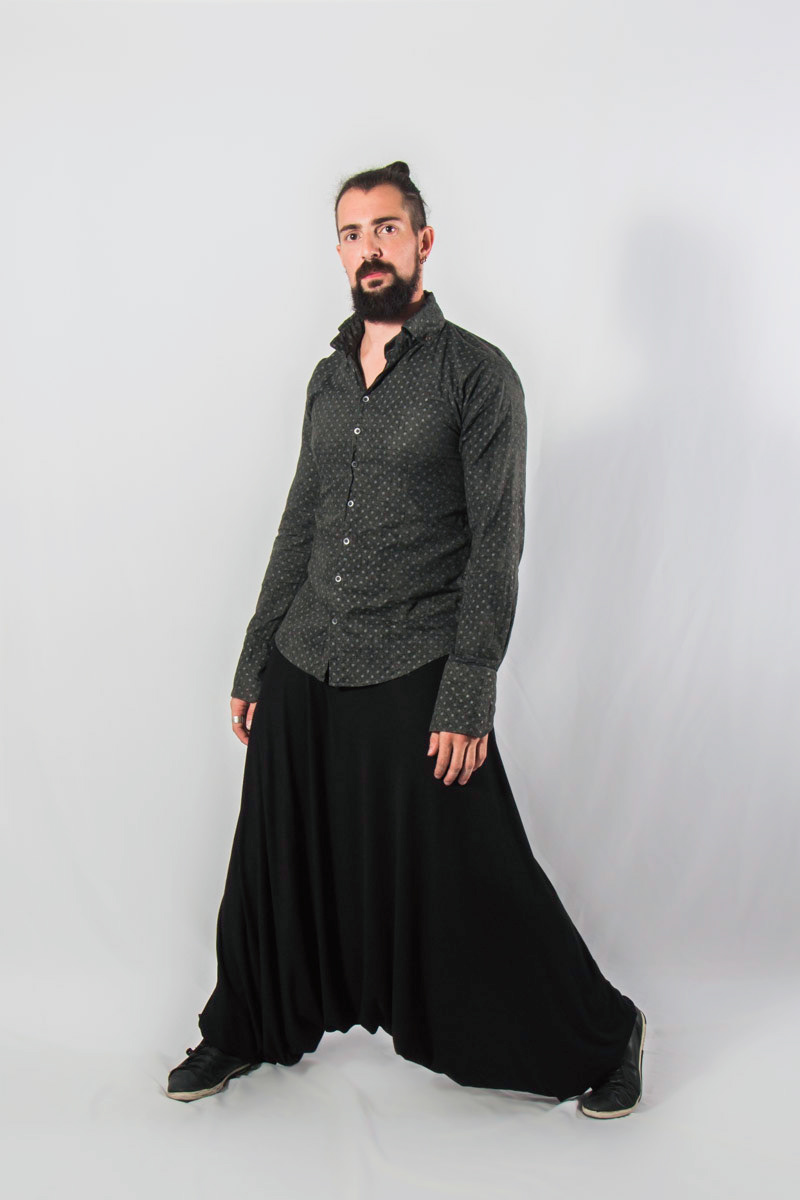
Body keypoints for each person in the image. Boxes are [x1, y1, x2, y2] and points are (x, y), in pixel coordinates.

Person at [166, 160, 646, 1118]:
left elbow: (497, 544)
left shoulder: (478, 375)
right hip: (306, 655)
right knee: (274, 863)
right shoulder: (326, 378)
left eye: (386, 229)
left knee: (473, 872)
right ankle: (244, 1028)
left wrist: (469, 686)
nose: (369, 249)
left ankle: (602, 1031)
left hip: (415, 661)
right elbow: (300, 522)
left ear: (423, 241)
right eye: (351, 234)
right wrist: (256, 653)